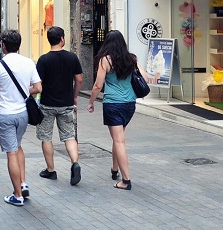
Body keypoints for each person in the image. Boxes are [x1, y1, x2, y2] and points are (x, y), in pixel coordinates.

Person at [0, 30, 41, 207]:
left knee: (11, 153)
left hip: (5, 115)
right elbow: (38, 87)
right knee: (17, 146)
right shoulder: (28, 62)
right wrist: (24, 90)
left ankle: (17, 195)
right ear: (19, 45)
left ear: (3, 46)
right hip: (23, 114)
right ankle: (22, 182)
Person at [87, 30, 148, 191]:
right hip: (129, 104)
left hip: (113, 104)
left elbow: (98, 85)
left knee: (119, 140)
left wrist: (91, 102)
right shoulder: (131, 58)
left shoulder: (105, 60)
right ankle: (115, 169)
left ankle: (126, 180)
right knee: (118, 138)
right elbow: (146, 78)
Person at [35, 26, 83, 185]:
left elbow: (37, 83)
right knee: (69, 135)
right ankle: (75, 163)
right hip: (67, 102)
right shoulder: (72, 57)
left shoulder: (43, 60)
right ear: (62, 39)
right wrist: (75, 96)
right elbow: (79, 80)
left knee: (46, 137)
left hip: (47, 103)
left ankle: (50, 170)